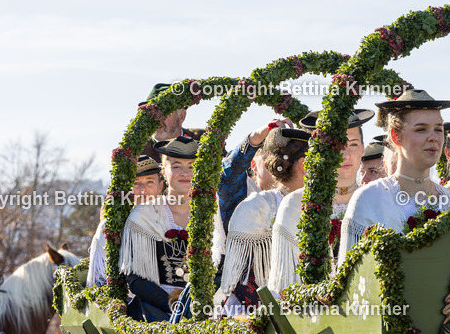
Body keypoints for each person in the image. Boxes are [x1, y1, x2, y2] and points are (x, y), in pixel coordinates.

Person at [339, 90, 450, 261]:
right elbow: (350, 279)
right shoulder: (368, 199)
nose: (433, 138)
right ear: (395, 136)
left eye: (438, 129)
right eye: (421, 129)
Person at [267, 109, 372, 294]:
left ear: (363, 148)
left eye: (353, 144)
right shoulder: (295, 204)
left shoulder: (375, 199)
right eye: (336, 145)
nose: (346, 155)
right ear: (316, 150)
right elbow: (282, 286)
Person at [216, 127, 310, 312]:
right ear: (304, 165)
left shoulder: (321, 207)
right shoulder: (260, 206)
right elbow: (239, 276)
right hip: (256, 312)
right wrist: (272, 312)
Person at [120, 136, 204, 321]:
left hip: (204, 310)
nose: (185, 173)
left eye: (191, 167)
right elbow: (135, 280)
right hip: (157, 311)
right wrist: (174, 306)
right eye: (176, 167)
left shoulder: (211, 213)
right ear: (164, 172)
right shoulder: (143, 216)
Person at [86, 155, 164, 288]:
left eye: (149, 182)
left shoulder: (173, 220)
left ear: (161, 186)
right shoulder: (109, 226)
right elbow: (100, 282)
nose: (142, 189)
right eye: (135, 183)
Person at [217, 119, 293, 234]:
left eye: (283, 159)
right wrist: (256, 137)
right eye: (268, 160)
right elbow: (231, 169)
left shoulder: (294, 196)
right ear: (254, 165)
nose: (277, 165)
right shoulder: (241, 189)